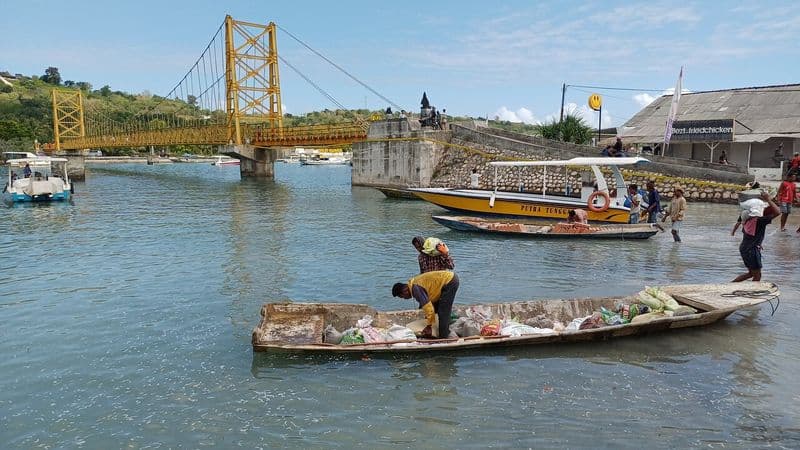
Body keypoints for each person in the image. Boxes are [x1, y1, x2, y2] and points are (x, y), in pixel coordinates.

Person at [392, 270, 460, 339]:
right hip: (446, 280)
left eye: (402, 296)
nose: (404, 298)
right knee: (436, 309)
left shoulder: (415, 289)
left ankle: (443, 337)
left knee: (443, 312)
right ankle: (440, 329)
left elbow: (429, 308)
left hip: (449, 281)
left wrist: (428, 326)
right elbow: (430, 306)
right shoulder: (413, 284)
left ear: (405, 291)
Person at [732, 192, 780, 282]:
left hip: (745, 248)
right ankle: (754, 293)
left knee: (751, 274)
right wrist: (768, 199)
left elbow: (751, 236)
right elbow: (777, 212)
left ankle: (730, 285)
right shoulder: (759, 221)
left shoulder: (747, 222)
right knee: (757, 275)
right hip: (751, 250)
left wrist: (758, 243)